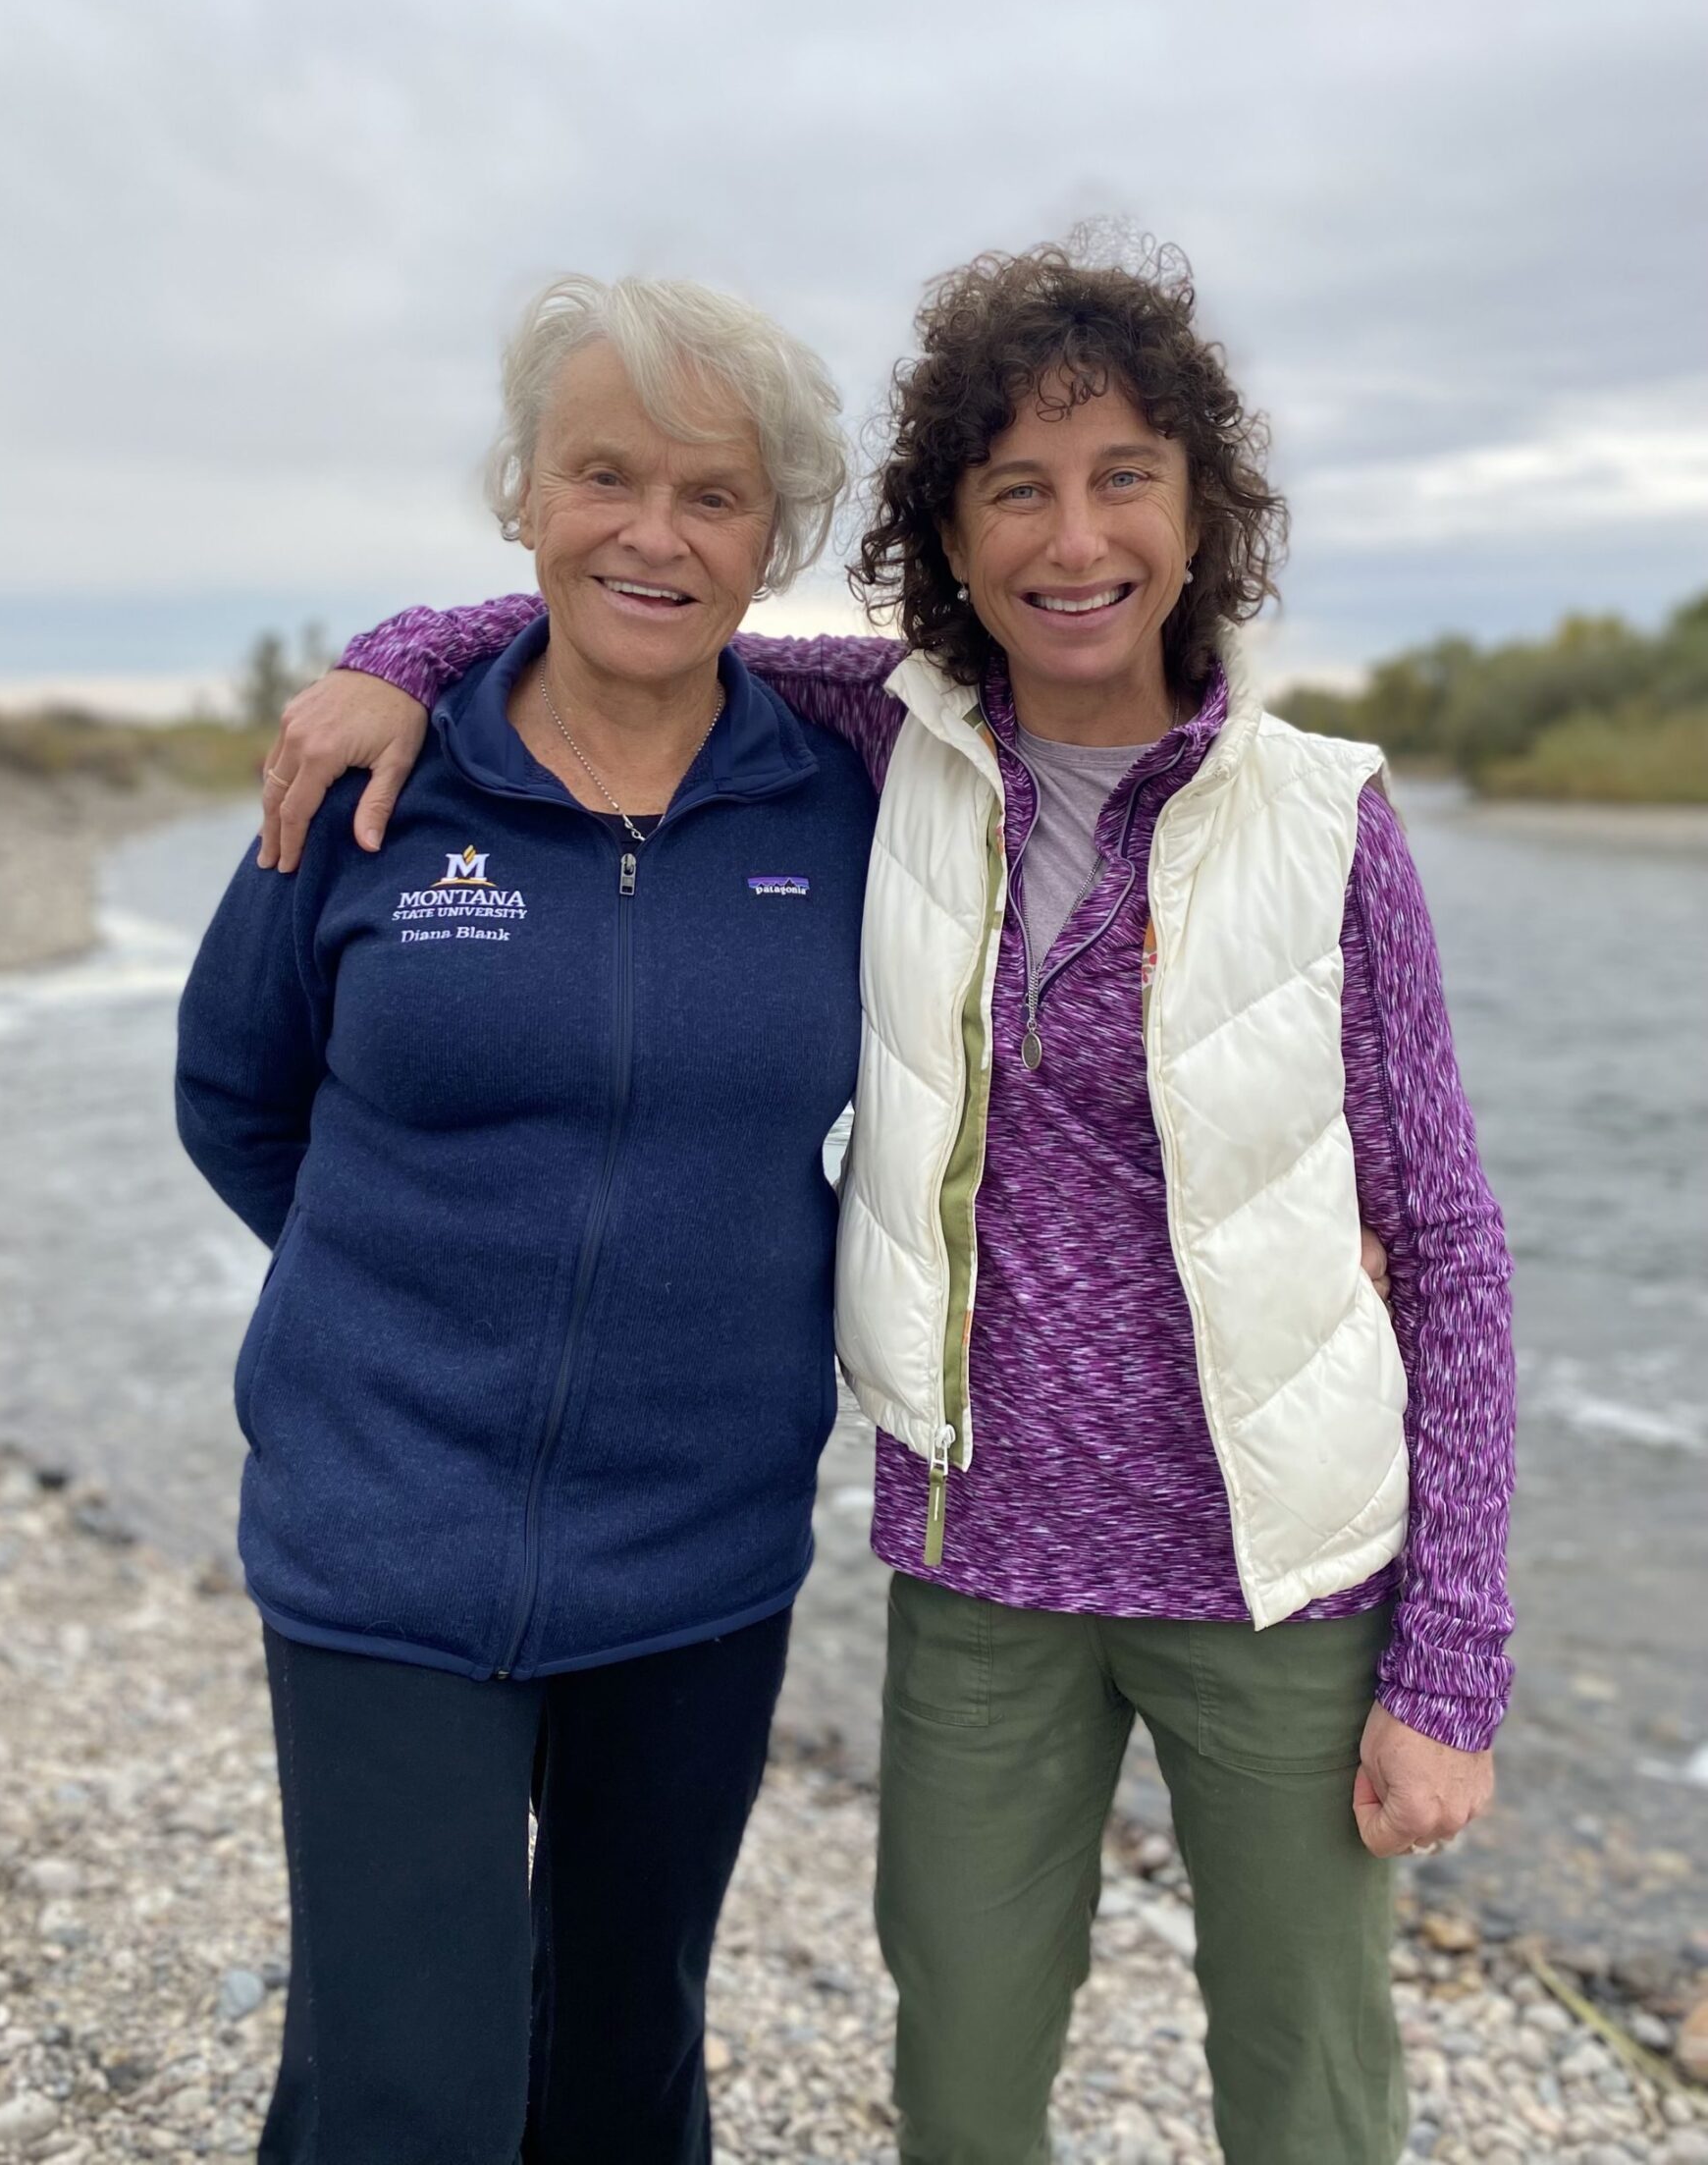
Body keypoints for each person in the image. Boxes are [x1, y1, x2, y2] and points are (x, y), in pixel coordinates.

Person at [265, 236, 1515, 2165]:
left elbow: (1444, 1239)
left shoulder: (1330, 816)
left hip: (1284, 1575)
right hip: (979, 1567)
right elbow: (634, 614)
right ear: (952, 526)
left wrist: (1451, 1661)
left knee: (1313, 2083)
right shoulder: (890, 741)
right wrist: (394, 660)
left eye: (1125, 477)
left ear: (1205, 510)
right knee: (961, 2076)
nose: (1073, 534)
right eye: (1016, 484)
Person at [176, 273, 879, 2165]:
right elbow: (235, 1092)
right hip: (383, 1535)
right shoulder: (374, 784)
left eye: (715, 495)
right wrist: (388, 1307)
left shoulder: (852, 799)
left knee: (626, 2068)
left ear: (775, 539)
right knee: (413, 2087)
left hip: (703, 1553)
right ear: (524, 495)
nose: (654, 532)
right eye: (603, 476)